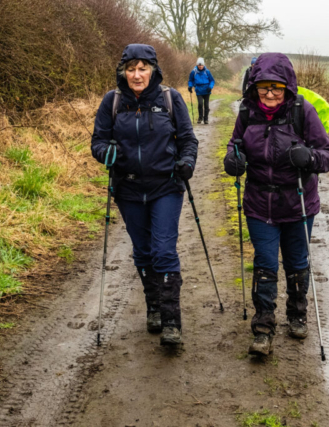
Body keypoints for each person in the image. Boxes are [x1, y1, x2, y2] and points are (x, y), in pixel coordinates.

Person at [223, 53, 329, 356]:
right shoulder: (247, 112)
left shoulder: (303, 111)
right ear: (253, 86)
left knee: (297, 261)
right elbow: (235, 144)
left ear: (287, 86)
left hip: (298, 202)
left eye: (276, 87)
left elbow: (327, 154)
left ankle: (297, 315)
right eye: (263, 87)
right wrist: (233, 159)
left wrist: (309, 158)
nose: (270, 94)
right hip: (260, 203)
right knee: (265, 263)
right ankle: (263, 328)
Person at [91, 44, 198, 346]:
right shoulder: (112, 102)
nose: (136, 75)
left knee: (163, 250)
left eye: (143, 68)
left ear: (153, 70)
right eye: (130, 69)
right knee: (143, 251)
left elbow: (188, 139)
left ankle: (171, 321)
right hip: (128, 187)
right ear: (122, 71)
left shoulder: (170, 99)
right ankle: (153, 307)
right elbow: (97, 142)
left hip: (166, 186)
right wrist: (106, 152)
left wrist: (187, 162)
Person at [188, 57, 215, 124]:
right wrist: (190, 86)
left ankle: (206, 119)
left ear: (203, 65)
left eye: (201, 65)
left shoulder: (207, 71)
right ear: (197, 65)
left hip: (207, 90)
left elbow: (212, 81)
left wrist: (210, 87)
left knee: (206, 105)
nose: (200, 67)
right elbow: (190, 80)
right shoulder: (193, 72)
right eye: (199, 65)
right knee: (200, 104)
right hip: (199, 90)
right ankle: (200, 118)